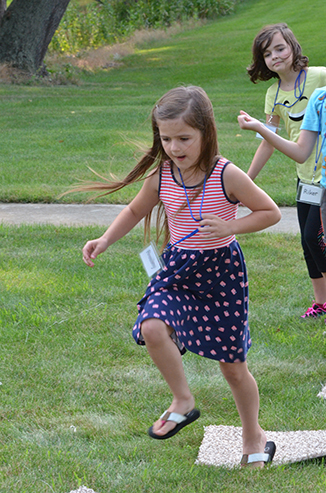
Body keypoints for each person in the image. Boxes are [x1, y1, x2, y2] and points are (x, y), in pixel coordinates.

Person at [81, 86, 280, 466]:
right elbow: (135, 210)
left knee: (233, 369)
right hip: (176, 270)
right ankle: (183, 400)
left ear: (206, 132)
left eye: (184, 138)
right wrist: (104, 239)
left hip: (220, 275)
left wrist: (230, 227)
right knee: (153, 327)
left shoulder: (228, 175)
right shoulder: (163, 177)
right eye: (166, 138)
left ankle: (253, 435)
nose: (174, 147)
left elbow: (269, 212)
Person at [246, 23, 326, 319]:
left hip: (324, 176)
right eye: (268, 54)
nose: (275, 56)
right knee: (307, 243)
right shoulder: (273, 94)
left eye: (280, 48)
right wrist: (247, 180)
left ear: (293, 47)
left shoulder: (319, 76)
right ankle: (321, 303)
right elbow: (267, 142)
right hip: (304, 176)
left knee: (316, 238)